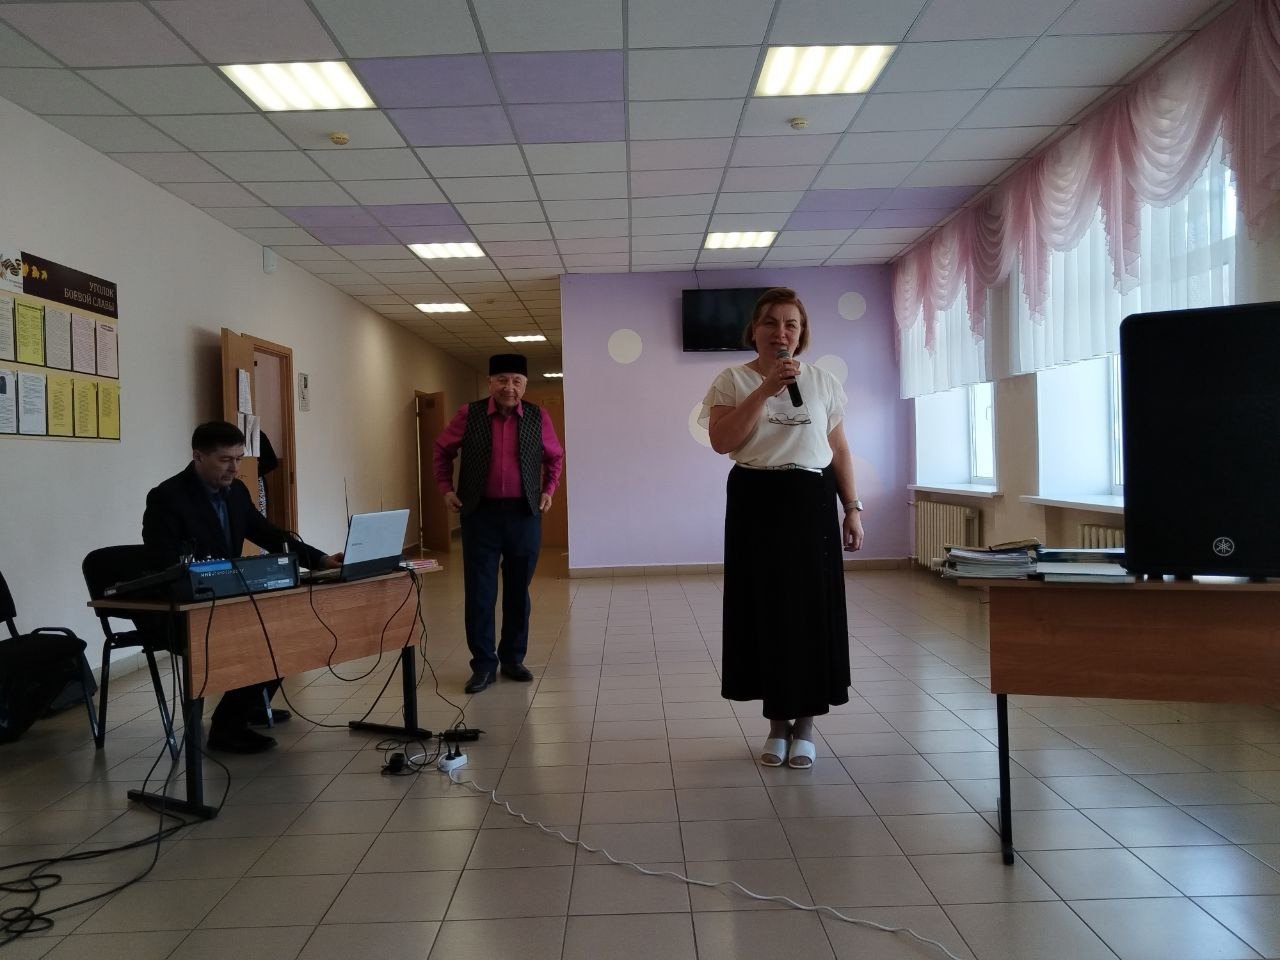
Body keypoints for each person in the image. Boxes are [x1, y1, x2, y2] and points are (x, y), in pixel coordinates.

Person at [699, 287, 865, 770]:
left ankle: (806, 725)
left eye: (791, 324)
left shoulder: (824, 382)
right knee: (764, 610)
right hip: (755, 497)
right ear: (753, 330)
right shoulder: (731, 380)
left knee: (811, 611)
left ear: (802, 333)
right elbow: (722, 441)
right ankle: (776, 723)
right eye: (770, 322)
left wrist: (852, 508)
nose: (781, 332)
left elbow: (839, 449)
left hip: (810, 499)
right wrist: (765, 389)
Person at [142, 420, 341, 753]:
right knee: (264, 634)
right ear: (198, 456)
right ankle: (227, 728)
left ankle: (248, 705)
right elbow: (162, 562)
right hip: (185, 607)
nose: (235, 468)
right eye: (225, 460)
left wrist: (320, 560)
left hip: (229, 600)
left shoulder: (236, 493)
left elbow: (270, 535)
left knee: (289, 629)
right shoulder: (167, 498)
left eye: (238, 458)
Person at [433, 354, 564, 694]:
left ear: (525, 385)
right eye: (502, 380)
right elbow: (442, 451)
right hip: (480, 515)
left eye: (517, 381)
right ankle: (483, 665)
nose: (510, 387)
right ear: (490, 383)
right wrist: (446, 489)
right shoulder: (470, 414)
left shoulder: (537, 416)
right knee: (480, 593)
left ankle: (513, 659)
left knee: (518, 592)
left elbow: (555, 458)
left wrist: (548, 490)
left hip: (524, 515)